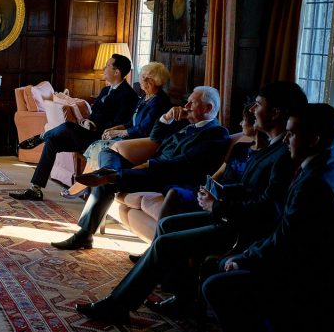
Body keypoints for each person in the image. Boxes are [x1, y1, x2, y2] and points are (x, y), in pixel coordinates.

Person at [74, 81, 305, 324]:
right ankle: (183, 298)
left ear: (276, 112)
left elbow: (267, 209)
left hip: (240, 229)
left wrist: (217, 205)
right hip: (227, 213)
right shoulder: (271, 147)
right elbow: (248, 188)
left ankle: (117, 305)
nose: (252, 111)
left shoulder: (283, 154)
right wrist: (220, 195)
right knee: (167, 225)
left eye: (258, 105)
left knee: (165, 243)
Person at [201, 103, 334, 332]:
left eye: (291, 134)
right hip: (311, 264)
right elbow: (286, 232)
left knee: (218, 285)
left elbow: (287, 243)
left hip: (317, 280)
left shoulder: (316, 184)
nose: (286, 140)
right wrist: (247, 255)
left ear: (313, 140)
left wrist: (244, 259)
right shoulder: (329, 166)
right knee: (222, 269)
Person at [52, 86, 229, 251]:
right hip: (150, 167)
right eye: (187, 101)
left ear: (207, 108)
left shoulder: (216, 133)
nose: (187, 105)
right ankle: (108, 171)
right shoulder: (183, 122)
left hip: (164, 175)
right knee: (106, 152)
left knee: (107, 182)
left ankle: (84, 234)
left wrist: (149, 164)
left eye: (192, 102)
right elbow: (155, 137)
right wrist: (165, 118)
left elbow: (184, 163)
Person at [9, 54, 138, 201]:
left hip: (102, 138)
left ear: (117, 72)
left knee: (68, 126)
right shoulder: (105, 90)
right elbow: (94, 114)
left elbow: (119, 123)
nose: (104, 68)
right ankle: (35, 189)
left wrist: (95, 125)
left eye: (107, 66)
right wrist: (88, 122)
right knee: (52, 142)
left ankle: (41, 137)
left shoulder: (128, 95)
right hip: (89, 133)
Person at [64, 61, 172, 198]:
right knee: (98, 144)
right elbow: (132, 121)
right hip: (132, 136)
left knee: (100, 147)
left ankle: (84, 186)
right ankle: (87, 185)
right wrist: (115, 128)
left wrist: (119, 132)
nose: (143, 80)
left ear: (157, 81)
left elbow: (144, 129)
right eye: (143, 76)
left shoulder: (159, 101)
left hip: (143, 142)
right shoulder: (145, 97)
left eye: (148, 78)